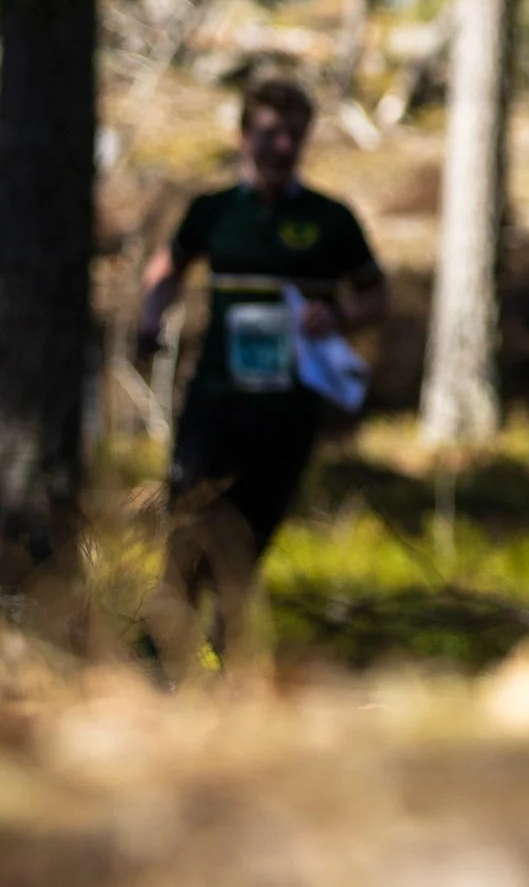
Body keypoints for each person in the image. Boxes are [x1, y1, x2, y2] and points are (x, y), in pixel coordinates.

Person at [134, 78, 388, 672]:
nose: (282, 147)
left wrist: (339, 316)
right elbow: (166, 270)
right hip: (216, 404)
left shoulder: (330, 220)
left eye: (294, 135)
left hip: (289, 412)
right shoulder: (214, 212)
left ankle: (229, 662)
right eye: (271, 133)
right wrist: (149, 319)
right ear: (243, 136)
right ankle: (156, 660)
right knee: (188, 525)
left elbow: (377, 295)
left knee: (250, 540)